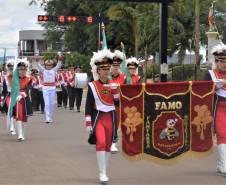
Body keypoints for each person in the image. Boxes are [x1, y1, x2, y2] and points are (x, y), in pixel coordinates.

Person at [85, 49, 119, 183]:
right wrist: (88, 122)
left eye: (107, 68)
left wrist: (116, 92)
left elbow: (117, 103)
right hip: (98, 118)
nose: (106, 71)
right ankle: (101, 173)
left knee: (108, 144)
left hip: (111, 118)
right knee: (101, 143)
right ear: (98, 70)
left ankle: (104, 171)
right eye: (102, 68)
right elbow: (88, 105)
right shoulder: (92, 86)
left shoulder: (113, 84)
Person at [205, 42, 226, 174]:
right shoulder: (210, 74)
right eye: (221, 61)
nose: (224, 64)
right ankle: (224, 165)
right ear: (216, 61)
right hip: (219, 107)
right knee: (222, 134)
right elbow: (202, 93)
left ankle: (220, 164)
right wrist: (214, 88)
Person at [36, 54, 63, 123]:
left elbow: (58, 65)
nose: (48, 66)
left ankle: (50, 117)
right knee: (47, 103)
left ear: (51, 65)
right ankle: (47, 118)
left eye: (50, 65)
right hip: (45, 88)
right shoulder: (43, 70)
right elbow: (38, 65)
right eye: (47, 65)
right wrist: (37, 59)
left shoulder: (54, 70)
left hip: (52, 88)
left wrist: (59, 59)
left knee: (51, 104)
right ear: (45, 66)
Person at [109, 50, 126, 153]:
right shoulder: (106, 77)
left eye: (117, 67)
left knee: (116, 124)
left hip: (118, 104)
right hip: (106, 103)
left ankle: (113, 143)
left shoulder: (124, 77)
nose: (115, 68)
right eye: (113, 66)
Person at [12, 59, 33, 141]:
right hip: (17, 100)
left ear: (26, 69)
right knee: (18, 115)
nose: (22, 70)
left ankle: (23, 133)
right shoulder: (14, 78)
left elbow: (28, 89)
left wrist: (22, 94)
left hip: (25, 98)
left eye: (23, 69)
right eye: (20, 69)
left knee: (25, 117)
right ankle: (20, 134)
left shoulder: (29, 78)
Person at [1, 60, 15, 134]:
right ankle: (12, 126)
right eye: (9, 68)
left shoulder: (18, 76)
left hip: (17, 95)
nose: (11, 69)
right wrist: (3, 97)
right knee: (11, 110)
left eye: (12, 67)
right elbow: (4, 89)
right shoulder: (5, 78)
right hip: (9, 95)